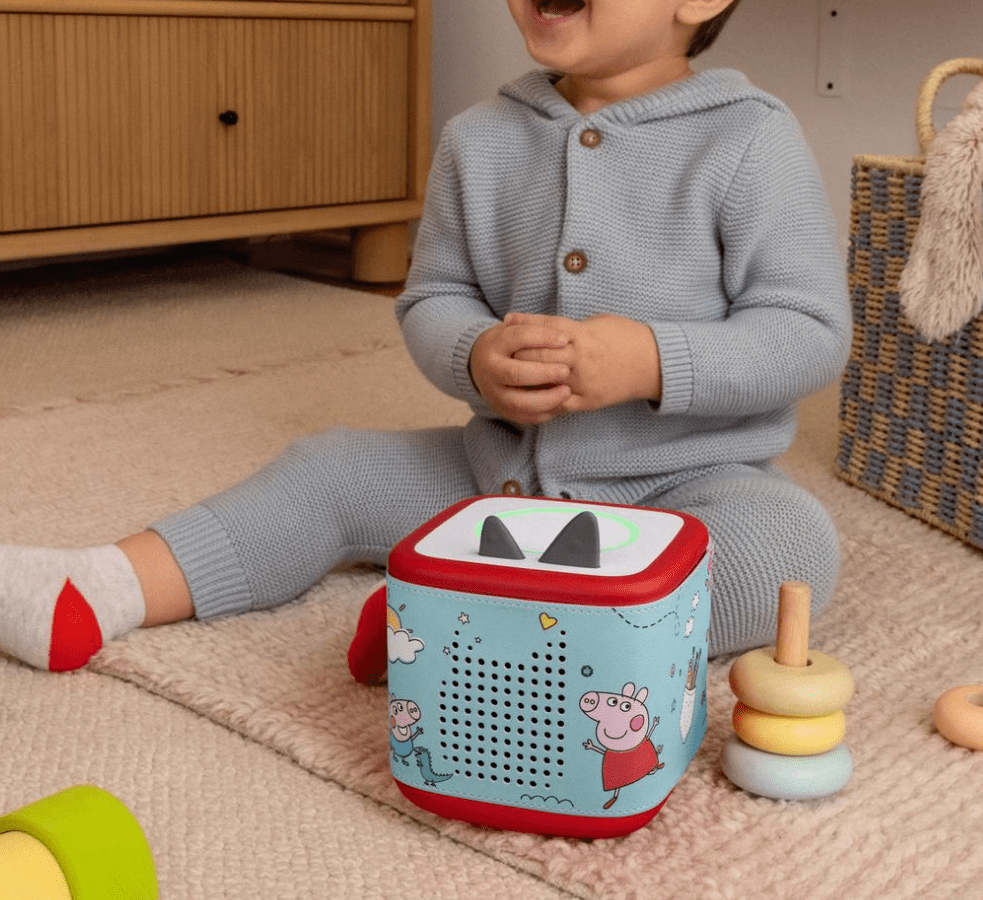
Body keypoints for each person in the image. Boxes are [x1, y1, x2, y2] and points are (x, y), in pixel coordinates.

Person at [0, 0, 851, 672]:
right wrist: (475, 356)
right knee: (328, 470)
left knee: (786, 550)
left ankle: (458, 634)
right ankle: (98, 587)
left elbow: (808, 330)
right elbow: (434, 296)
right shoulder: (478, 138)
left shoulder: (750, 137)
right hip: (497, 477)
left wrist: (651, 362)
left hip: (683, 488)